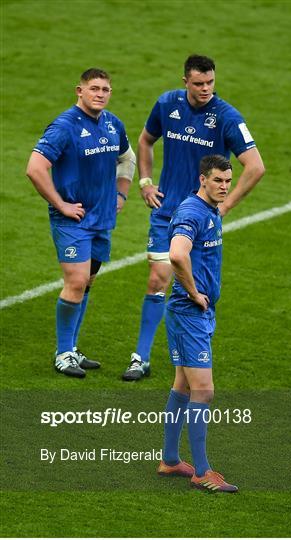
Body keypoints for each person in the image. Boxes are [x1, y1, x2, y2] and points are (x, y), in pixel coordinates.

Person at [122, 54, 265, 381]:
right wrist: (145, 182)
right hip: (166, 212)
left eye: (211, 83)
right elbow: (145, 140)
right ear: (185, 80)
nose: (206, 89)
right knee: (159, 278)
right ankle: (140, 357)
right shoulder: (167, 104)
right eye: (199, 83)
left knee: (198, 289)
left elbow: (255, 166)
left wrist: (224, 207)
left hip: (201, 219)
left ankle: (190, 358)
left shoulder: (226, 116)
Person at [26, 68, 135, 378]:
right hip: (71, 220)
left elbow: (126, 158)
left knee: (86, 283)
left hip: (102, 220)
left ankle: (72, 349)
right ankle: (63, 353)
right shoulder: (64, 126)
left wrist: (122, 194)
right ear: (80, 91)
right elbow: (35, 168)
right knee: (75, 282)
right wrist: (60, 203)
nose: (100, 94)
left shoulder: (113, 124)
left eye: (105, 89)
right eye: (94, 88)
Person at [156, 154, 238, 493]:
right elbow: (177, 254)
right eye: (218, 180)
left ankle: (171, 459)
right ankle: (202, 470)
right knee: (204, 390)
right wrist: (194, 293)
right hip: (189, 313)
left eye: (228, 181)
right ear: (203, 178)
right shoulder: (192, 213)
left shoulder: (211, 210)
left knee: (183, 386)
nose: (223, 187)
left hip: (194, 314)